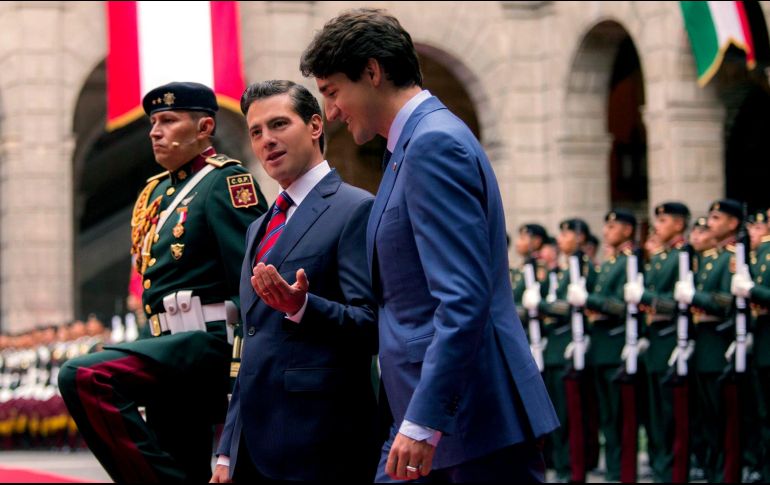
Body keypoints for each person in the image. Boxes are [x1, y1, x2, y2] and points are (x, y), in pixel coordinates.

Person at [300, 8, 559, 482]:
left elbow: (461, 299)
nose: (331, 111)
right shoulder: (411, 146)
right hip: (434, 416)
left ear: (372, 72)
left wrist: (424, 420)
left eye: (333, 92)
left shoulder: (433, 144)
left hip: (467, 419)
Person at [58, 81, 267, 483]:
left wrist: (244, 364)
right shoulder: (158, 194)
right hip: (168, 346)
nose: (155, 131)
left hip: (207, 345)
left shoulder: (225, 183)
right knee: (181, 457)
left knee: (85, 376)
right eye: (154, 122)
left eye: (168, 120)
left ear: (205, 127)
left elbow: (250, 278)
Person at [211, 80, 379, 482]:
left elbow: (370, 325)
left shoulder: (355, 208)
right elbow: (248, 343)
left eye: (279, 124)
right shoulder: (259, 228)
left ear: (316, 126)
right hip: (253, 443)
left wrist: (302, 307)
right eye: (256, 132)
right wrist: (226, 451)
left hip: (321, 441)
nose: (266, 140)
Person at [674, 199, 742, 482]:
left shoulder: (730, 257)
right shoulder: (710, 258)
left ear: (732, 223)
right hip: (702, 344)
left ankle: (727, 472)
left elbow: (727, 301)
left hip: (718, 343)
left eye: (716, 218)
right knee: (707, 418)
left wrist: (695, 297)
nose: (709, 223)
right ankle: (713, 469)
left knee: (724, 416)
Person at [568, 209, 637, 481]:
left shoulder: (628, 262)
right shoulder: (609, 262)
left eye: (613, 226)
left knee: (621, 415)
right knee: (607, 415)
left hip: (616, 344)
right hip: (600, 346)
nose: (606, 231)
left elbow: (620, 305)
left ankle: (623, 469)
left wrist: (590, 300)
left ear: (628, 230)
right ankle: (613, 468)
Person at [624, 202, 690, 482]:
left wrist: (646, 298)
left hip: (671, 340)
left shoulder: (682, 257)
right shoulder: (662, 258)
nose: (656, 226)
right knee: (655, 416)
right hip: (653, 343)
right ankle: (662, 467)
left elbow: (678, 303)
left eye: (663, 221)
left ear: (678, 224)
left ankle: (673, 471)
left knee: (671, 414)